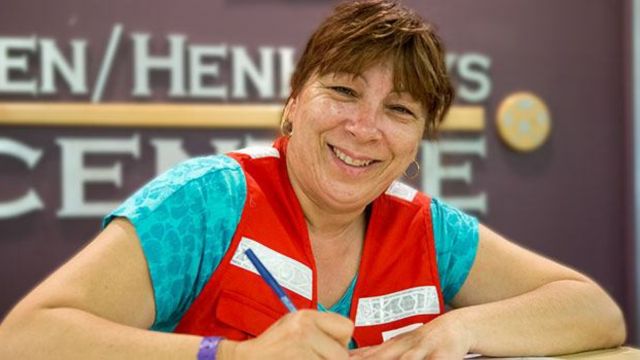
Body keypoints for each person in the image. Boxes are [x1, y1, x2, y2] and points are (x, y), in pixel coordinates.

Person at [0, 0, 626, 359]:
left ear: (417, 141)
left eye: (400, 110)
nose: (364, 127)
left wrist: (457, 328)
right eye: (344, 92)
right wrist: (236, 357)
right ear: (295, 100)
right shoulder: (208, 201)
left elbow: (593, 310)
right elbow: (26, 337)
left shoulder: (428, 230)